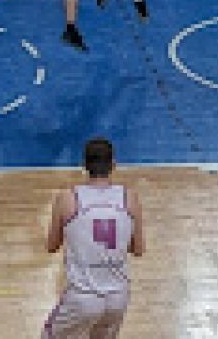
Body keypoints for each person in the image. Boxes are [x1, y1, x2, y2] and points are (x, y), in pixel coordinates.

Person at [42, 138, 143, 339]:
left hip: (83, 296)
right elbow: (138, 249)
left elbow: (52, 246)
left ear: (84, 165)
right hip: (118, 297)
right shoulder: (129, 198)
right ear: (113, 165)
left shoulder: (68, 198)